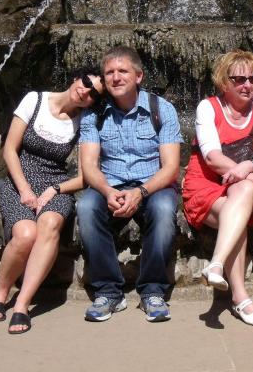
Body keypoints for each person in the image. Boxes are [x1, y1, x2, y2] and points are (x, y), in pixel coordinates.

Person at [0, 68, 105, 334]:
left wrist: (55, 189)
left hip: (56, 187)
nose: (86, 91)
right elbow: (10, 149)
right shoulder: (35, 100)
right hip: (19, 181)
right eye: (86, 82)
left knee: (49, 224)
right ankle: (1, 293)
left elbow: (85, 177)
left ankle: (22, 304)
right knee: (26, 235)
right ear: (76, 78)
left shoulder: (84, 121)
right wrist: (25, 189)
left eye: (94, 94)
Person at [77, 46, 182, 323]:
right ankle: (108, 291)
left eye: (123, 71)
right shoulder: (93, 114)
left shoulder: (162, 109)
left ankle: (152, 291)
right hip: (110, 183)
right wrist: (107, 191)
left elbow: (171, 168)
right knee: (86, 207)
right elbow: (89, 165)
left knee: (163, 210)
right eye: (109, 72)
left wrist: (141, 191)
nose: (116, 77)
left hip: (153, 185)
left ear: (139, 76)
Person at [182, 50, 253, 327]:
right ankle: (240, 297)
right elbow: (213, 158)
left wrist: (249, 167)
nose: (247, 85)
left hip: (241, 189)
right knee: (238, 209)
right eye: (239, 79)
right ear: (224, 82)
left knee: (243, 192)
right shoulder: (208, 107)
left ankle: (217, 263)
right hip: (206, 185)